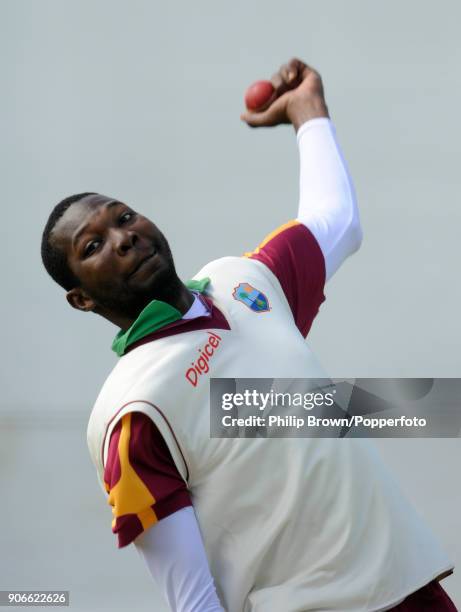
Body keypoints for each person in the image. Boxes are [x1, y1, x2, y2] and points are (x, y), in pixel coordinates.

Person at [41, 59, 457, 612]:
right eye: (91, 247)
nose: (121, 238)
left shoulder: (241, 281)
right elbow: (192, 600)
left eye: (124, 217)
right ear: (81, 299)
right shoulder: (134, 410)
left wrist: (308, 112)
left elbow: (337, 221)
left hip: (413, 591)